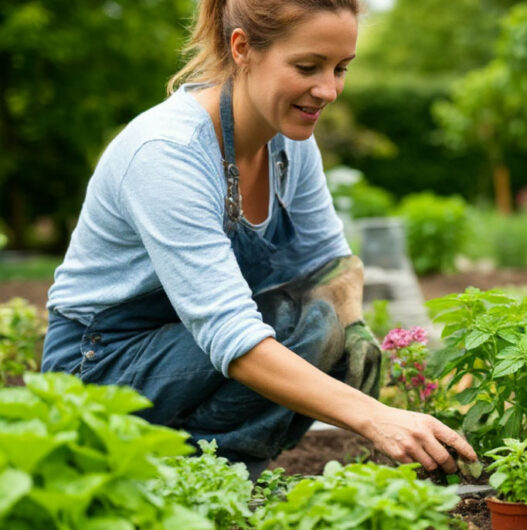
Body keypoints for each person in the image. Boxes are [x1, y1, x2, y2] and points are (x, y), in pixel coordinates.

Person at [41, 0, 476, 477]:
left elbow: (331, 263)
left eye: (340, 68)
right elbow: (230, 334)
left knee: (322, 319)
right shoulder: (167, 154)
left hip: (183, 349)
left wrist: (353, 335)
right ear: (242, 48)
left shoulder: (289, 141)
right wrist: (375, 417)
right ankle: (189, 478)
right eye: (307, 67)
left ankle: (212, 472)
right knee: (301, 326)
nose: (328, 90)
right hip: (98, 367)